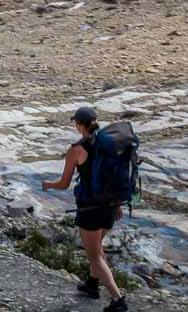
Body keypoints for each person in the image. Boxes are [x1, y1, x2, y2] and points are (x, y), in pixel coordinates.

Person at [42, 107, 128, 312]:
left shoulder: (76, 150)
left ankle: (118, 300)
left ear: (78, 124)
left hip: (90, 208)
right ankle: (92, 285)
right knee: (97, 247)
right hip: (111, 206)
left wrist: (48, 185)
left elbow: (64, 183)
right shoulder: (111, 144)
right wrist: (117, 204)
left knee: (95, 255)